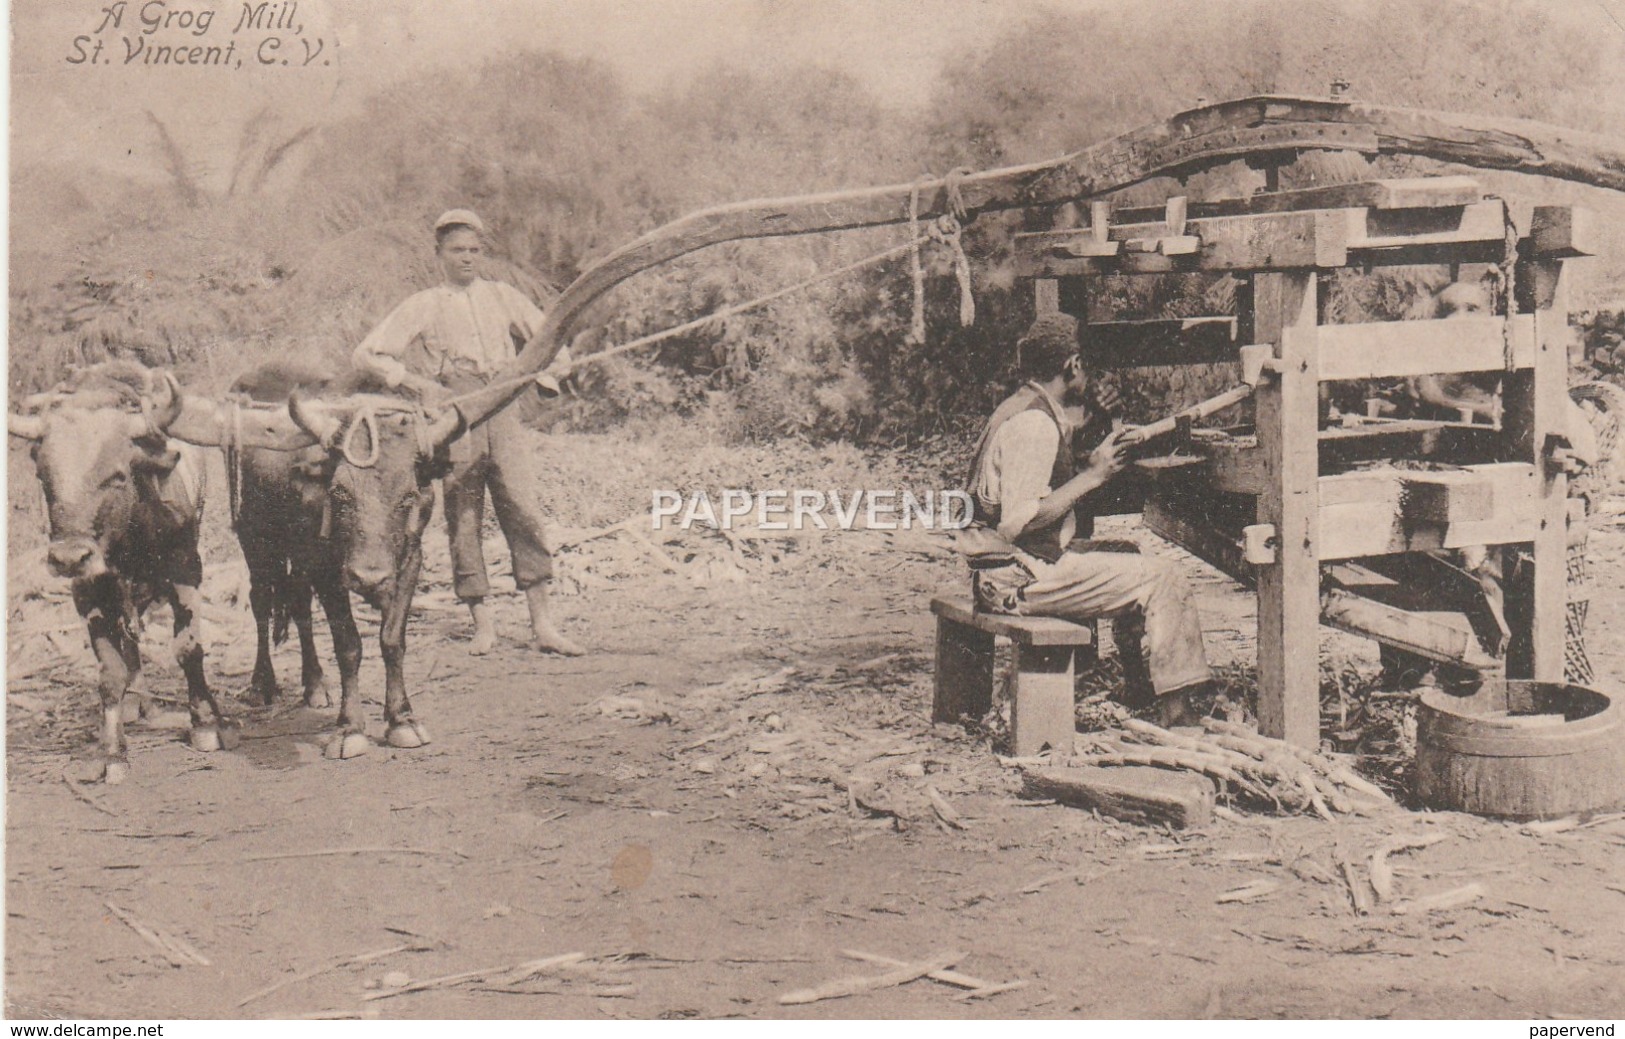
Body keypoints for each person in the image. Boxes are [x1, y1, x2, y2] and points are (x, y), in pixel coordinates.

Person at [963, 312, 1213, 726]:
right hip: (1015, 579)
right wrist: (1094, 475)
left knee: (1126, 552)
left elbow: (1042, 476)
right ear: (1073, 365)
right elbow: (1018, 522)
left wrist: (1096, 436)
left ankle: (1139, 685)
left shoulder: (1020, 406)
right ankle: (1179, 715)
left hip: (1002, 570)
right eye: (1087, 367)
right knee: (1166, 577)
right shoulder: (1034, 424)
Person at [352, 209, 584, 657]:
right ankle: (483, 625)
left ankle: (543, 624)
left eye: (474, 250)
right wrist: (417, 383)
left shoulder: (502, 296)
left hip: (503, 399)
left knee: (522, 505)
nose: (467, 259)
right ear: (439, 254)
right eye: (457, 250)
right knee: (463, 512)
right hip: (456, 406)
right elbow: (369, 354)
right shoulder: (426, 302)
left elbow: (551, 340)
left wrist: (542, 376)